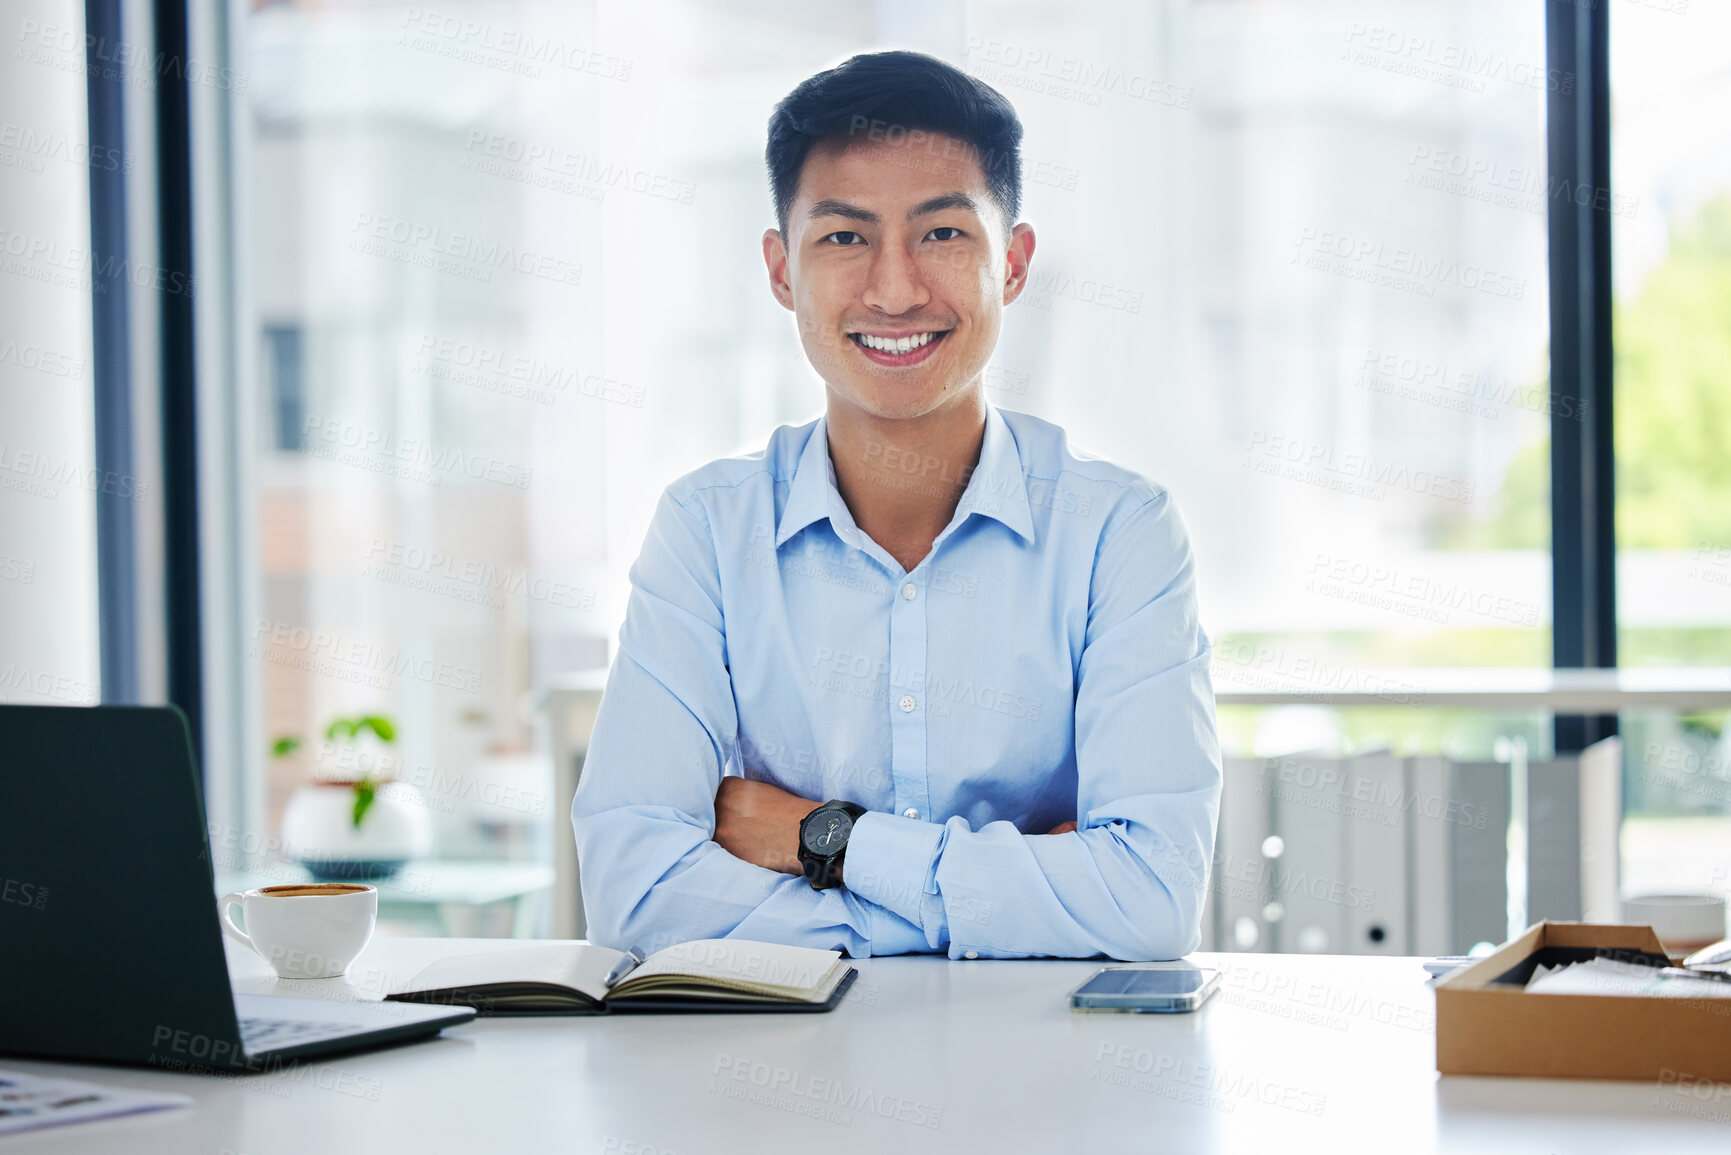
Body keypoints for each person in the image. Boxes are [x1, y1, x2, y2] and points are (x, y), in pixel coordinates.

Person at [571, 50, 1221, 960]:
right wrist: (1022, 896)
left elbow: (1150, 903)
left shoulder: (1118, 531)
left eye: (943, 234)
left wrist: (817, 841)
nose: (894, 289)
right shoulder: (707, 530)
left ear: (1015, 261)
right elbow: (633, 894)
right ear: (780, 270)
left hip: (1050, 1080)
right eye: (843, 237)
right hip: (775, 1080)